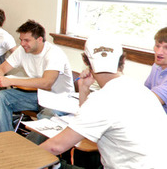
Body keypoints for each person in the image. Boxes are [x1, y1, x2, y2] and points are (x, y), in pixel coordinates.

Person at [40, 36, 167, 168]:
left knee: (57, 164)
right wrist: (84, 89)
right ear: (123, 60)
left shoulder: (102, 99)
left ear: (86, 61)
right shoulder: (140, 89)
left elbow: (56, 146)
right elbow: (91, 122)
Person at [0, 20, 74, 133]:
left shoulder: (54, 54)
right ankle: (6, 138)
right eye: (21, 40)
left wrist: (10, 81)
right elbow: (1, 69)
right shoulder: (22, 50)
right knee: (2, 96)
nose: (22, 44)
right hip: (38, 96)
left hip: (59, 99)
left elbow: (46, 83)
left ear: (39, 39)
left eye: (27, 40)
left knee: (46, 116)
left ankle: (33, 148)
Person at [144, 27, 167, 113]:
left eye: (166, 48)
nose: (159, 52)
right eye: (157, 46)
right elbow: (146, 90)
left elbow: (150, 101)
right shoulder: (157, 66)